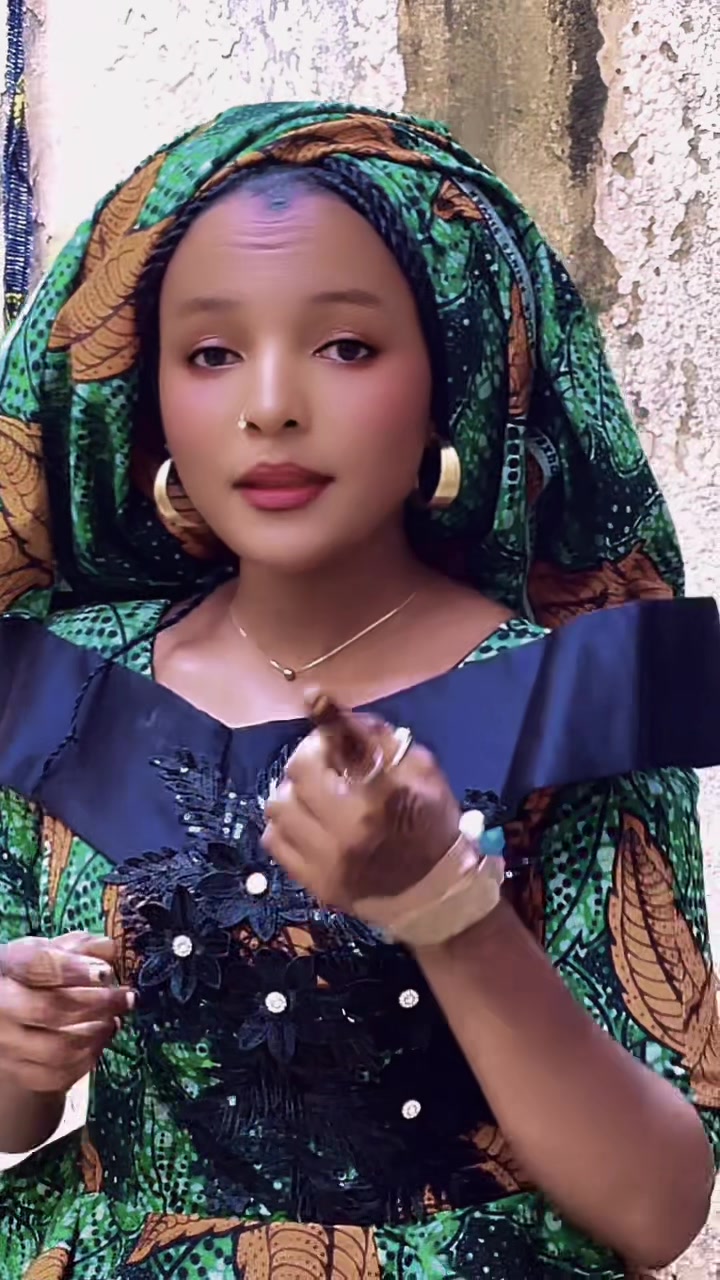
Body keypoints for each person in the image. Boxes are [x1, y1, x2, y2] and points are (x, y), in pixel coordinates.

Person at [0, 101, 718, 1280]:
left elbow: (659, 1210)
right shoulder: (58, 688)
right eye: (212, 353)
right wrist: (19, 1042)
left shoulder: (575, 695)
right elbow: (13, 1116)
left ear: (449, 380)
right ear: (150, 397)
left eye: (345, 346)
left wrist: (448, 909)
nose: (271, 404)